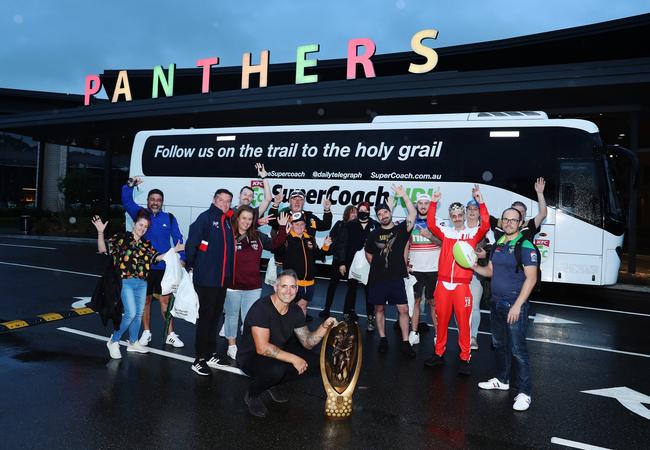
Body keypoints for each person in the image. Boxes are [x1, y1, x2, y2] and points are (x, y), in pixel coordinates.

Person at [237, 270, 338, 417]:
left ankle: (273, 383)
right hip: (251, 356)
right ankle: (252, 394)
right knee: (277, 370)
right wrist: (294, 359)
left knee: (319, 363)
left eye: (292, 287)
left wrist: (324, 327)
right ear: (275, 287)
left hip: (277, 351)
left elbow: (308, 342)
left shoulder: (295, 310)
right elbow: (262, 348)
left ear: (297, 290)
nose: (288, 291)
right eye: (284, 286)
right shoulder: (261, 308)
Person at [91, 212, 184, 359]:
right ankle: (114, 340)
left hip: (142, 283)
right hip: (126, 282)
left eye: (146, 227)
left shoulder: (145, 244)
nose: (143, 228)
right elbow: (103, 250)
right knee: (131, 314)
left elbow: (157, 257)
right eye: (141, 225)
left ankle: (133, 342)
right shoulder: (121, 239)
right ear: (134, 224)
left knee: (138, 315)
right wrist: (101, 232)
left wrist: (174, 250)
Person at [473, 207, 538, 411]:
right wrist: (473, 266)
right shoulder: (499, 244)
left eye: (513, 220)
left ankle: (525, 393)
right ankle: (502, 380)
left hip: (513, 304)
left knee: (518, 350)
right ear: (501, 222)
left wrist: (518, 305)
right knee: (499, 344)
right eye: (506, 219)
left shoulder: (526, 246)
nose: (509, 223)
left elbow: (532, 278)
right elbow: (490, 271)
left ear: (520, 223)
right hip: (495, 302)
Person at [424, 185, 489, 375]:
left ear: (464, 215)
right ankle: (438, 354)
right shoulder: (446, 232)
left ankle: (464, 358)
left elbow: (485, 224)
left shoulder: (473, 233)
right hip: (443, 284)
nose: (458, 218)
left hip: (462, 285)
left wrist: (480, 201)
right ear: (450, 217)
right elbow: (430, 223)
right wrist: (434, 201)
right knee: (441, 320)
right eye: (454, 216)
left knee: (463, 323)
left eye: (460, 214)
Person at [121, 177, 186, 348]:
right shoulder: (141, 214)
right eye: (152, 199)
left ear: (162, 202)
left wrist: (183, 259)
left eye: (158, 200)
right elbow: (126, 200)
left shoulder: (169, 218)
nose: (155, 202)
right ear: (148, 201)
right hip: (145, 267)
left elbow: (179, 239)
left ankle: (170, 334)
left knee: (166, 302)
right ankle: (147, 332)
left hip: (164, 267)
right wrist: (130, 185)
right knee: (145, 301)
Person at [185, 189, 236, 376]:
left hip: (221, 281)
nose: (224, 204)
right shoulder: (205, 218)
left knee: (214, 318)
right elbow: (193, 243)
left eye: (228, 201)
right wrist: (192, 264)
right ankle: (198, 359)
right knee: (205, 319)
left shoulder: (228, 221)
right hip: (206, 280)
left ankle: (210, 352)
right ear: (214, 200)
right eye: (221, 200)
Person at [364, 185, 417, 357]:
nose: (383, 216)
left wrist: (404, 196)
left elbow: (413, 214)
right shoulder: (373, 234)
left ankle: (404, 342)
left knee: (403, 309)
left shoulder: (401, 229)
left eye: (385, 212)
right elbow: (369, 255)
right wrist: (380, 267)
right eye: (379, 214)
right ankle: (383, 339)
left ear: (390, 212)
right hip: (378, 279)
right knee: (379, 310)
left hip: (396, 278)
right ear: (377, 217)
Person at [269, 189, 332, 322]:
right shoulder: (284, 215)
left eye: (300, 199)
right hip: (285, 265)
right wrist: (275, 205)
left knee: (302, 302)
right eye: (294, 198)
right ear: (290, 201)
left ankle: (298, 322)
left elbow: (326, 224)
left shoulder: (309, 217)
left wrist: (327, 209)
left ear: (304, 202)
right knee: (284, 299)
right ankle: (282, 324)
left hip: (307, 263)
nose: (297, 201)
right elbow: (271, 221)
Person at [223, 205, 273, 361]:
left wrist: (284, 228)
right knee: (231, 317)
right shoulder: (228, 235)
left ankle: (245, 345)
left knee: (250, 319)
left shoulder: (258, 236)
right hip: (232, 285)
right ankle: (231, 346)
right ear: (237, 218)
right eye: (243, 218)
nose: (246, 221)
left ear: (253, 221)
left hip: (253, 286)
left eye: (250, 219)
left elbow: (276, 246)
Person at [333, 202, 379, 330]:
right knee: (351, 289)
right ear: (358, 211)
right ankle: (347, 314)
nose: (363, 212)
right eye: (361, 209)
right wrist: (342, 263)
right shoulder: (349, 225)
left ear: (369, 212)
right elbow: (342, 244)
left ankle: (370, 318)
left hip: (369, 263)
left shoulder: (374, 225)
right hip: (351, 263)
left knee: (369, 291)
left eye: (366, 210)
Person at [407, 193, 442, 346]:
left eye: (426, 203)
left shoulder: (438, 223)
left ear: (431, 205)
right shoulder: (411, 222)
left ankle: (438, 335)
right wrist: (405, 264)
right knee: (415, 301)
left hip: (434, 269)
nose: (423, 206)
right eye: (420, 203)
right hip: (415, 269)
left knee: (433, 303)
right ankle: (414, 332)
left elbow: (443, 244)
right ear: (416, 205)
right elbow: (405, 245)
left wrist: (430, 236)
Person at [466, 198, 495, 351]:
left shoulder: (486, 229)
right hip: (457, 274)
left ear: (479, 212)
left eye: (475, 209)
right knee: (459, 308)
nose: (472, 211)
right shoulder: (459, 227)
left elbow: (494, 249)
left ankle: (473, 337)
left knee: (474, 306)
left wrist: (485, 254)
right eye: (469, 208)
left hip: (476, 273)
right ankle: (463, 336)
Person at [321, 205, 358, 318]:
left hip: (352, 262)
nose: (355, 215)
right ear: (347, 213)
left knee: (353, 287)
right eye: (352, 213)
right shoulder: (339, 224)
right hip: (338, 260)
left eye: (356, 213)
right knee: (332, 285)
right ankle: (326, 309)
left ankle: (350, 310)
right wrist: (324, 250)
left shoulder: (358, 227)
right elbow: (330, 237)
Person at [491, 177, 547, 241]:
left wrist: (540, 193)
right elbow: (482, 214)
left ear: (525, 214)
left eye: (521, 211)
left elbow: (543, 214)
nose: (518, 213)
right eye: (515, 211)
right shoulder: (499, 224)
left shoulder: (529, 225)